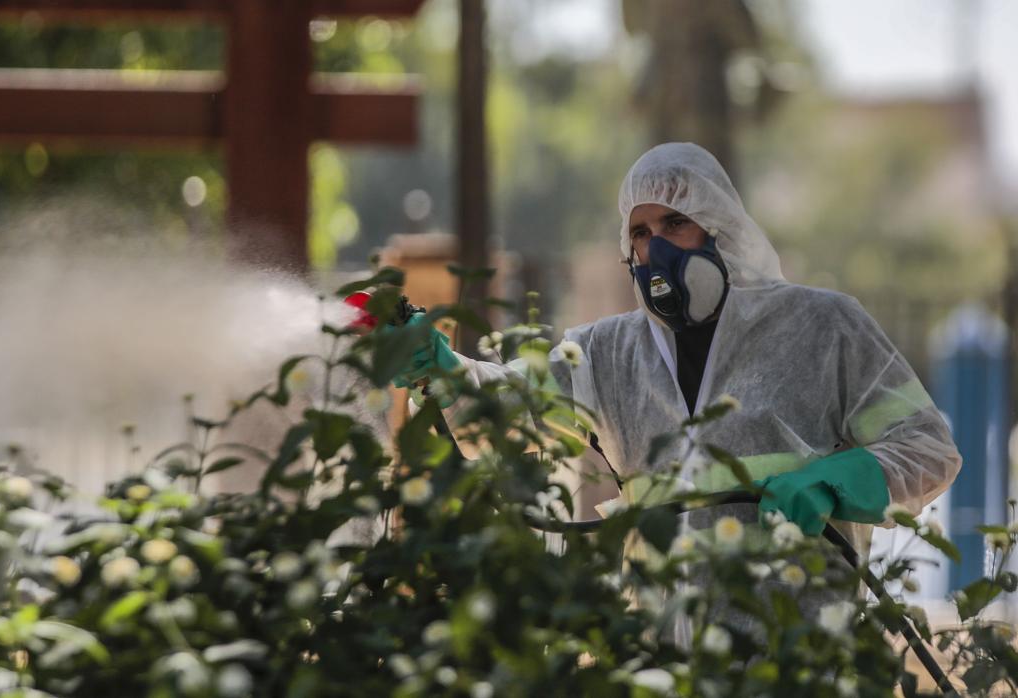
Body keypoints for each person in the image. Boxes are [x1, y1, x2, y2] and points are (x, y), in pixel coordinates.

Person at [395, 141, 961, 568]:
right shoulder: (607, 352)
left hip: (801, 641)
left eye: (675, 223)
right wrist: (451, 371)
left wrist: (835, 479)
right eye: (639, 232)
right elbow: (511, 406)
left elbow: (929, 448)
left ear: (720, 229)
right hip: (664, 651)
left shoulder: (822, 327)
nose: (655, 248)